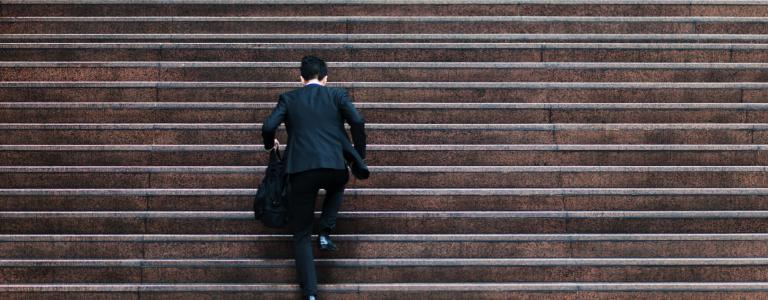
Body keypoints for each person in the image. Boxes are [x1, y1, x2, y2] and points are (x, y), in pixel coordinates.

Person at [261, 55, 367, 300]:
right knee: (339, 183)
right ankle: (326, 230)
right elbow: (358, 121)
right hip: (333, 165)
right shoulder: (337, 95)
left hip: (301, 170)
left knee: (300, 234)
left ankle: (310, 293)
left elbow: (268, 127)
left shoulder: (289, 98)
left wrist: (270, 145)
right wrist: (358, 156)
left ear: (301, 78)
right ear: (326, 78)